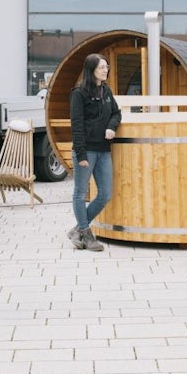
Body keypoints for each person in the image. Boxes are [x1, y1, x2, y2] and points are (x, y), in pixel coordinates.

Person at [67, 53, 121, 252]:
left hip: (103, 150)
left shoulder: (106, 91)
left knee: (105, 193)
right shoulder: (78, 94)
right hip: (86, 151)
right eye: (101, 67)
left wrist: (112, 127)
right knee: (80, 193)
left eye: (106, 67)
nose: (105, 70)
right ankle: (86, 233)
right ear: (91, 70)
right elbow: (76, 126)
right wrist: (80, 155)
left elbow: (116, 113)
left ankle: (78, 230)